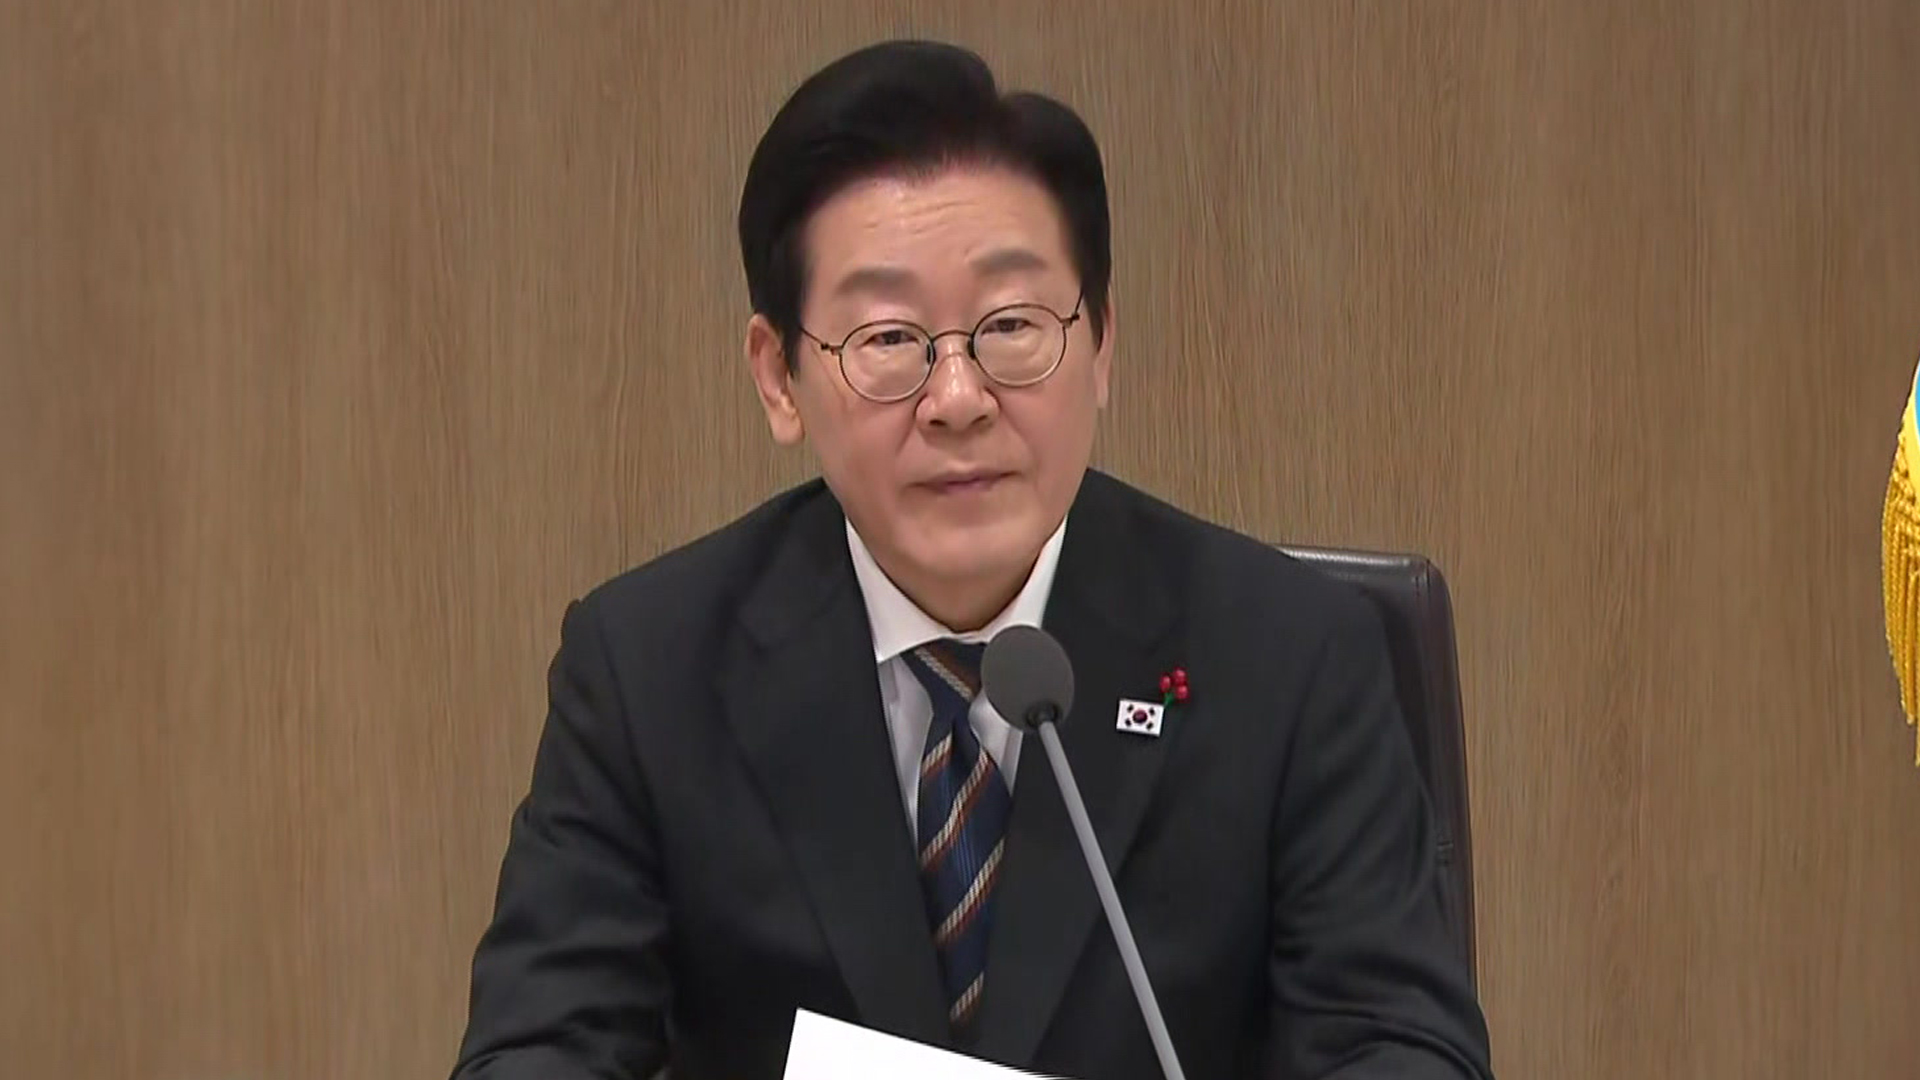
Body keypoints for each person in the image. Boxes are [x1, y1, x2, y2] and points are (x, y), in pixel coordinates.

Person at [450, 39, 1493, 1080]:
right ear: (778, 378)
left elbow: (1401, 1048)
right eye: (889, 340)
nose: (958, 399)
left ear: (1102, 344)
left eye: (1011, 326)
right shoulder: (648, 669)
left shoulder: (1289, 655)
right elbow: (538, 1048)